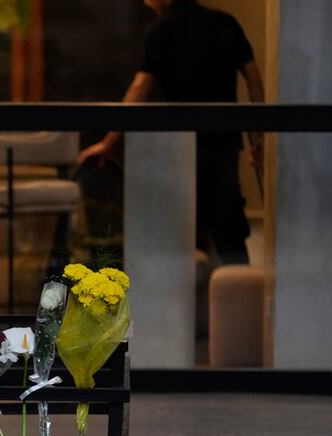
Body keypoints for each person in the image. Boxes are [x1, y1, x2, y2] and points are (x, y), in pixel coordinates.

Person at [77, 0, 265, 264]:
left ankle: (182, 300)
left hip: (180, 147)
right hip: (223, 143)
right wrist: (259, 139)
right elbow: (254, 80)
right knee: (229, 230)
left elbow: (140, 88)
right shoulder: (225, 23)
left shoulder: (160, 31)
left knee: (179, 232)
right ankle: (239, 300)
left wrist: (109, 141)